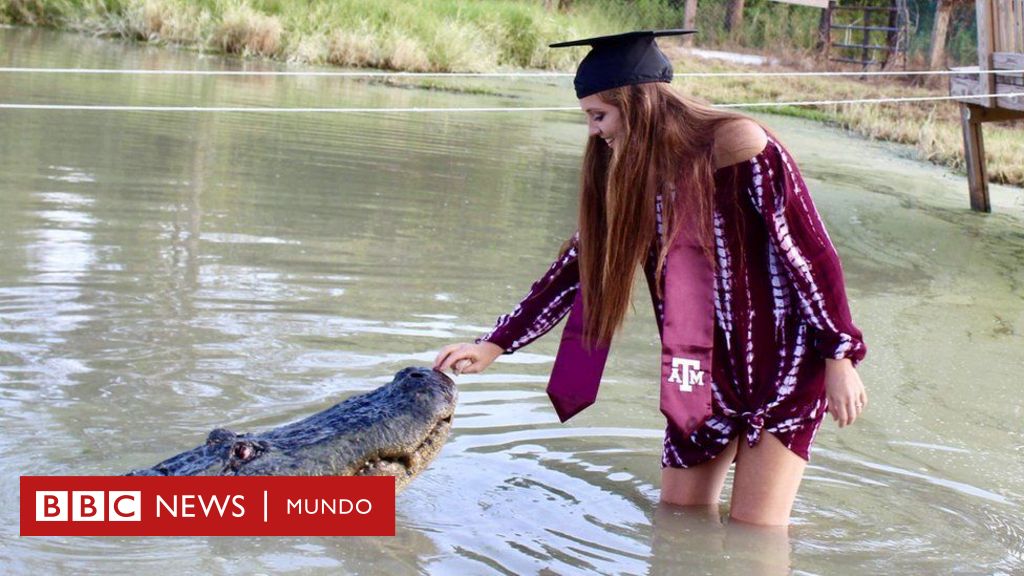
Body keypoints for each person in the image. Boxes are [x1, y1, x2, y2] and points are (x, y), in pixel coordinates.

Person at [434, 30, 867, 527]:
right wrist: (494, 343)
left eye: (599, 116)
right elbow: (579, 265)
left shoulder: (741, 147)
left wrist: (840, 356)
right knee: (677, 522)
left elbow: (810, 255)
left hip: (782, 370)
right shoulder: (633, 176)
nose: (594, 132)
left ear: (636, 104)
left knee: (755, 535)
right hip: (700, 374)